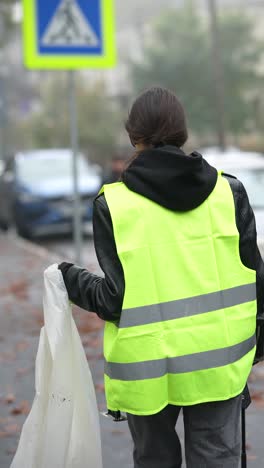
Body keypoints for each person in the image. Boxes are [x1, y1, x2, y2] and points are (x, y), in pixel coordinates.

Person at [59, 87, 264, 468]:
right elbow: (256, 279)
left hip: (148, 368)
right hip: (218, 364)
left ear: (134, 137)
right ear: (182, 133)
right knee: (217, 460)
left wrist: (69, 279)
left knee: (155, 460)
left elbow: (112, 300)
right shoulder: (228, 192)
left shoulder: (114, 206)